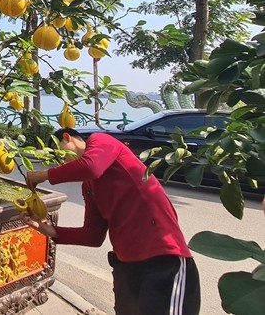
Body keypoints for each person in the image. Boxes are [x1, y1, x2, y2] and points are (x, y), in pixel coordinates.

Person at [21, 128, 200, 315]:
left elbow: (91, 166)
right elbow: (93, 236)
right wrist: (45, 229)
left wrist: (43, 175)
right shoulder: (89, 186)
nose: (62, 160)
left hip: (164, 258)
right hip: (127, 267)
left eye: (59, 151)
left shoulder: (102, 140)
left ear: (68, 138)